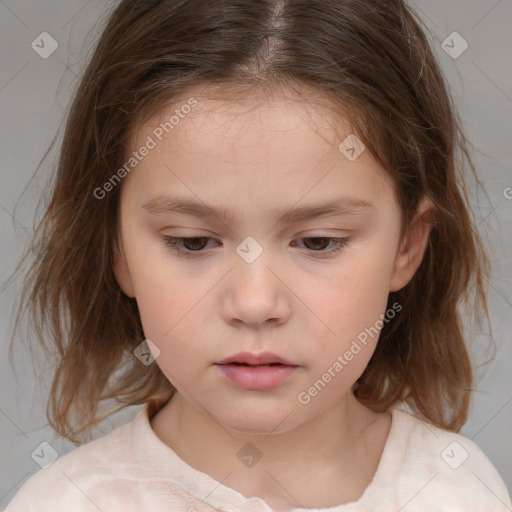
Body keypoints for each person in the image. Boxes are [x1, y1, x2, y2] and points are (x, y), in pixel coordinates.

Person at [5, 0, 511, 511]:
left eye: (318, 242)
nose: (254, 303)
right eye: (192, 241)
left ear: (408, 244)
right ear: (116, 248)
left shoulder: (459, 494)